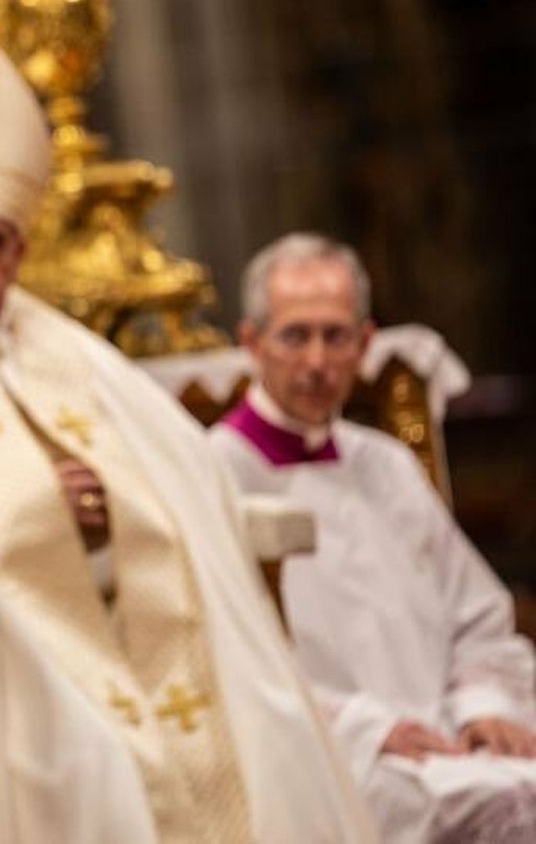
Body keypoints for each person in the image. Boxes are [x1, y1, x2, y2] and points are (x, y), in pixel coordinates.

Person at [0, 27, 376, 843]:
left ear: (21, 250)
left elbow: (182, 471)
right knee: (100, 763)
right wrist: (31, 509)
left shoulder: (50, 343)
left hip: (128, 628)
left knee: (267, 725)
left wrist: (119, 503)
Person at [210, 233, 536, 842]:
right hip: (329, 755)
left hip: (449, 736)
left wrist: (484, 706)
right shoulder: (214, 473)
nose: (316, 361)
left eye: (336, 337)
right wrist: (365, 730)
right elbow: (223, 651)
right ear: (251, 343)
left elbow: (476, 616)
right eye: (294, 335)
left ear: (365, 343)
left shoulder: (385, 465)